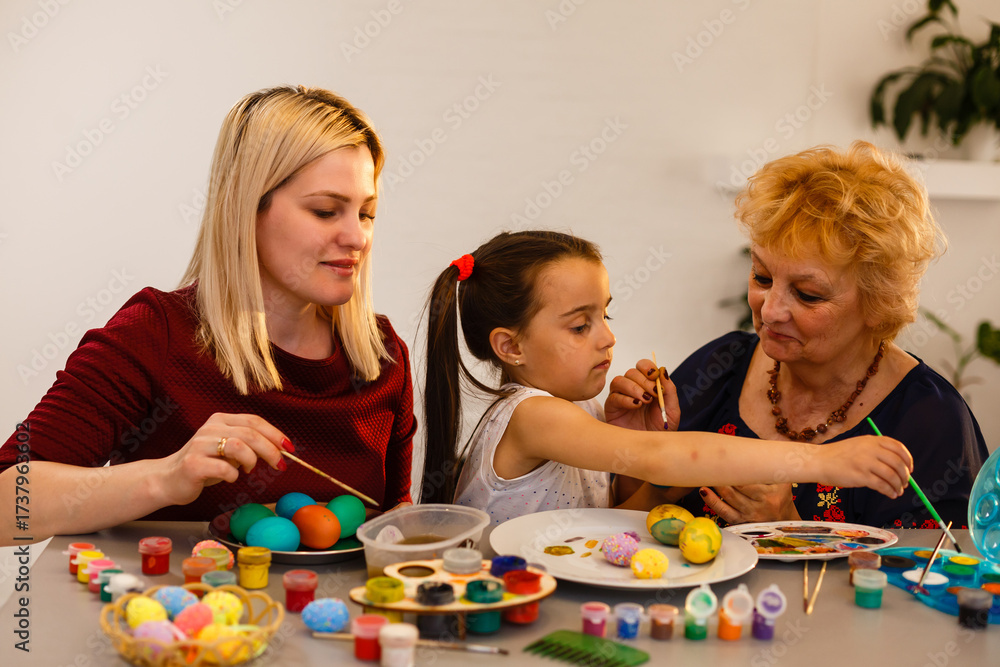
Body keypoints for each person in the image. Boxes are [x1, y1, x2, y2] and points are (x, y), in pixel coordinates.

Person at [0, 86, 416, 546]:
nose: (357, 238)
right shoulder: (156, 333)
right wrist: (165, 477)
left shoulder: (382, 357)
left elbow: (396, 524)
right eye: (325, 211)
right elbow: (5, 504)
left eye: (367, 213)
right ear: (246, 208)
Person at [610, 141, 988, 529]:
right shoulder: (721, 366)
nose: (770, 311)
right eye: (762, 277)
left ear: (879, 303)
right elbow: (627, 535)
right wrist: (636, 451)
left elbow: (935, 580)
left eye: (808, 294)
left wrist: (793, 529)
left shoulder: (929, 421)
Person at [421, 230, 914, 527]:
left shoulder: (577, 409)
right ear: (511, 346)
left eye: (605, 316)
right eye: (580, 325)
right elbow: (668, 459)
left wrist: (642, 463)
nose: (608, 339)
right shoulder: (532, 415)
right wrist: (822, 461)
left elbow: (605, 527)